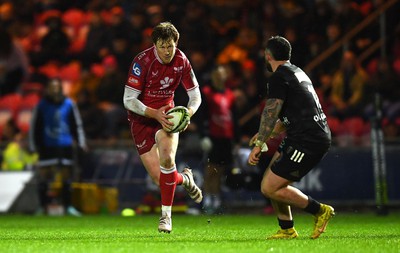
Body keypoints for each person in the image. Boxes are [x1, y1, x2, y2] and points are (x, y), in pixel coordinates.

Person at [247, 36, 334, 239]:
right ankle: (287, 229)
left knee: (268, 187)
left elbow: (271, 111)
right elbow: (295, 112)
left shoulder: (278, 77)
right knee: (273, 180)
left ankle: (320, 211)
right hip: (305, 134)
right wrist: (267, 134)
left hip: (307, 139)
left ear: (268, 56)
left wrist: (260, 143)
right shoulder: (297, 72)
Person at [123, 22, 202, 233]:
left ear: (176, 43)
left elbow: (195, 96)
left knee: (168, 160)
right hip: (141, 119)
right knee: (161, 179)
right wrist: (152, 113)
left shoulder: (182, 61)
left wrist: (187, 114)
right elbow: (128, 100)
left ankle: (166, 218)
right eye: (162, 46)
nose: (167, 51)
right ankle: (185, 179)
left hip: (166, 116)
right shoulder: (142, 61)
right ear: (154, 45)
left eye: (171, 46)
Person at [29, 78, 87, 216]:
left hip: (64, 145)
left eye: (57, 87)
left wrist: (81, 142)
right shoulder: (41, 105)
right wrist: (33, 146)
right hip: (47, 146)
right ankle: (43, 207)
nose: (55, 89)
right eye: (52, 87)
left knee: (66, 176)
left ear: (61, 88)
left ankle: (68, 207)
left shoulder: (69, 104)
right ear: (48, 89)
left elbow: (76, 124)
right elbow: (34, 127)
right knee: (44, 176)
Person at [201, 65, 237, 214]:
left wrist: (236, 138)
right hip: (213, 136)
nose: (220, 77)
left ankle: (216, 199)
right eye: (217, 74)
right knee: (210, 170)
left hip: (226, 137)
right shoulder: (207, 93)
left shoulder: (230, 94)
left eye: (222, 74)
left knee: (220, 171)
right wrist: (203, 134)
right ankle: (207, 199)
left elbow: (234, 117)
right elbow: (202, 114)